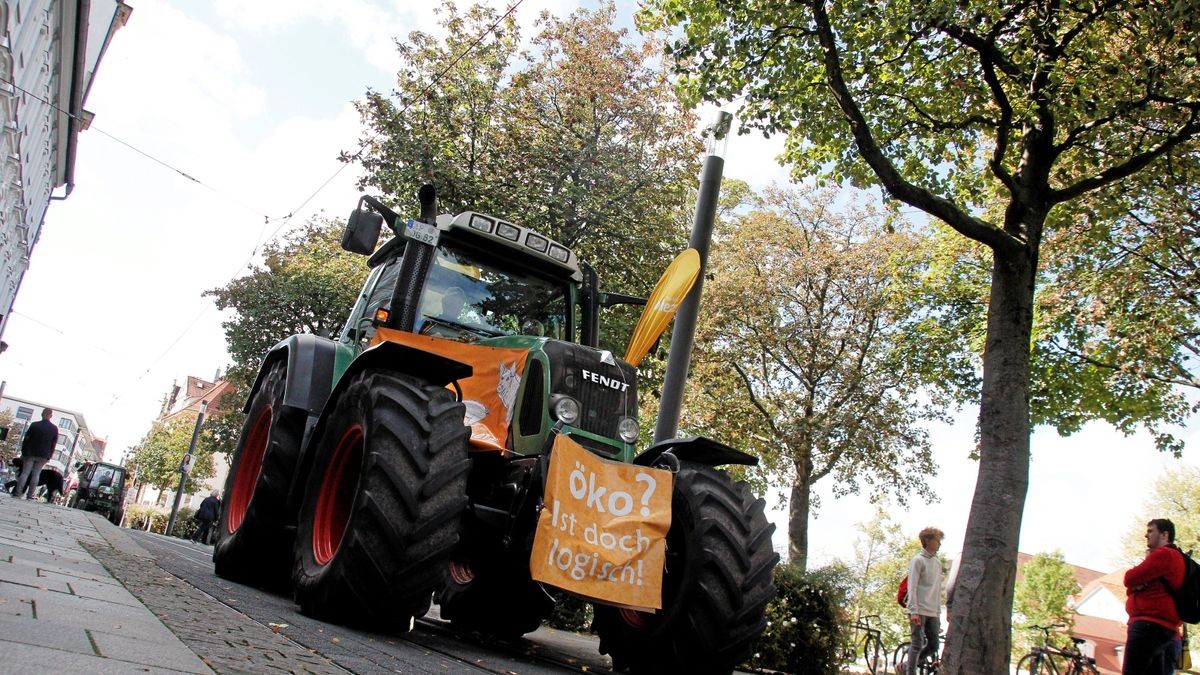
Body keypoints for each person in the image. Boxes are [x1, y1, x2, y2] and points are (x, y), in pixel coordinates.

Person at [1123, 518, 1186, 675]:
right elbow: (1132, 588)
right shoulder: (1177, 558)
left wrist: (1136, 585)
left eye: (1151, 531)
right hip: (1165, 630)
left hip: (1148, 626)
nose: (1146, 535)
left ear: (1164, 535)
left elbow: (1129, 579)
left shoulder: (1165, 554)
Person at [905, 526, 945, 675]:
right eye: (937, 540)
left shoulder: (937, 562)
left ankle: (905, 666)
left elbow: (937, 590)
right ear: (927, 541)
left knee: (934, 645)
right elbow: (912, 586)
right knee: (917, 644)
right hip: (918, 610)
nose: (940, 544)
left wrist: (938, 613)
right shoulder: (918, 560)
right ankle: (910, 672)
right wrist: (914, 611)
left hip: (932, 611)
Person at [14, 408, 58, 500]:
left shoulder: (34, 425)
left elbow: (26, 439)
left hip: (30, 453)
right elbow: (53, 444)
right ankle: (30, 495)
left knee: (25, 473)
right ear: (51, 416)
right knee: (36, 474)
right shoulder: (54, 429)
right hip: (43, 455)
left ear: (42, 414)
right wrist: (50, 455)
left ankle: (18, 493)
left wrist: (23, 451)